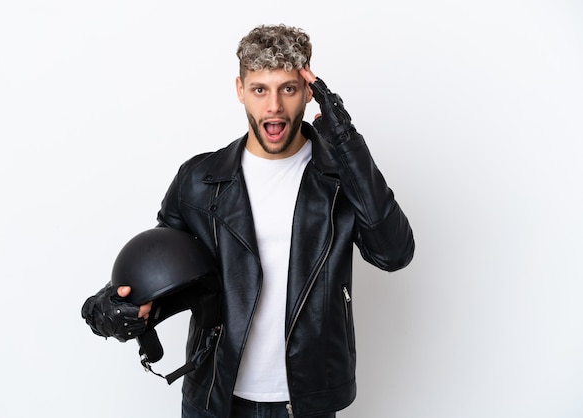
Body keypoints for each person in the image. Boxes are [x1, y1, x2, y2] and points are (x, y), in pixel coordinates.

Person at [81, 24, 415, 418]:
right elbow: (168, 268)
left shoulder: (340, 178)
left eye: (288, 88)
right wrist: (117, 305)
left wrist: (344, 139)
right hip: (216, 399)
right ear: (240, 90)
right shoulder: (199, 180)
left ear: (308, 92)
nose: (273, 106)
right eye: (260, 89)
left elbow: (393, 253)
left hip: (306, 401)